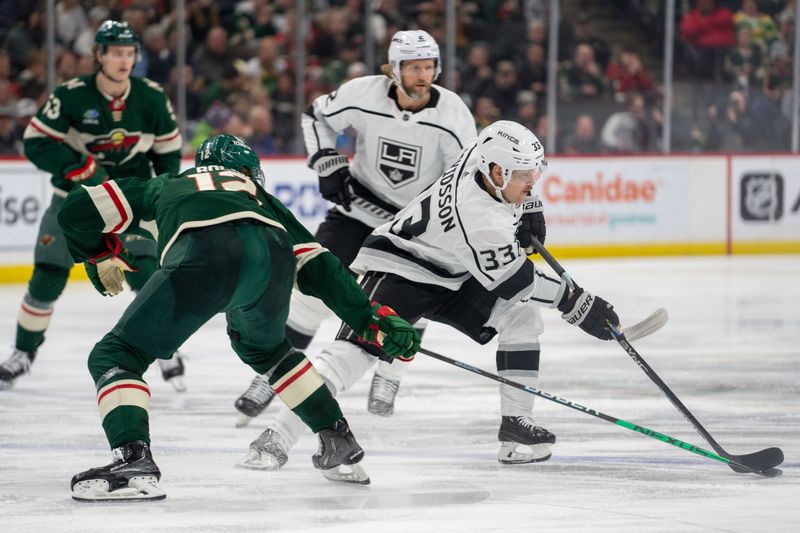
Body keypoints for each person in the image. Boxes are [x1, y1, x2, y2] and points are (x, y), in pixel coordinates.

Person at [239, 120, 620, 471]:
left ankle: (515, 427)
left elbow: (501, 161)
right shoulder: (480, 217)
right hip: (400, 267)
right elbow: (518, 282)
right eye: (525, 177)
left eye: (535, 174)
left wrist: (529, 204)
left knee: (521, 318)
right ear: (498, 172)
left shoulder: (480, 153)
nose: (532, 182)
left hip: (454, 267)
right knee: (353, 355)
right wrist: (576, 303)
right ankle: (276, 437)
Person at [57, 134, 421, 501]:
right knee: (271, 352)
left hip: (204, 252)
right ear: (247, 172)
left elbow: (75, 209)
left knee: (116, 355)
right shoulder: (261, 198)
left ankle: (132, 459)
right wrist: (368, 320)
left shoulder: (169, 183)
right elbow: (319, 266)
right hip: (273, 255)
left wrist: (100, 252)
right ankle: (337, 439)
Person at [233, 29, 476, 426]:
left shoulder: (453, 117)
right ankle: (271, 373)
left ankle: (391, 371)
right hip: (357, 210)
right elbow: (315, 115)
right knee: (312, 289)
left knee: (414, 298)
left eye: (429, 67)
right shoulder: (363, 93)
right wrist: (327, 160)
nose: (423, 75)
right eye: (414, 67)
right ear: (394, 69)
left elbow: (466, 176)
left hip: (412, 227)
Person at [0, 21, 185, 391]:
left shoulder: (151, 97)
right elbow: (36, 142)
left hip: (130, 203)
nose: (124, 59)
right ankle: (23, 352)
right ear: (98, 55)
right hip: (74, 203)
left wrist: (161, 199)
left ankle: (165, 347)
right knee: (46, 277)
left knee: (147, 276)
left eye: (130, 53)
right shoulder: (71, 96)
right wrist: (77, 167)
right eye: (116, 52)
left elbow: (168, 155)